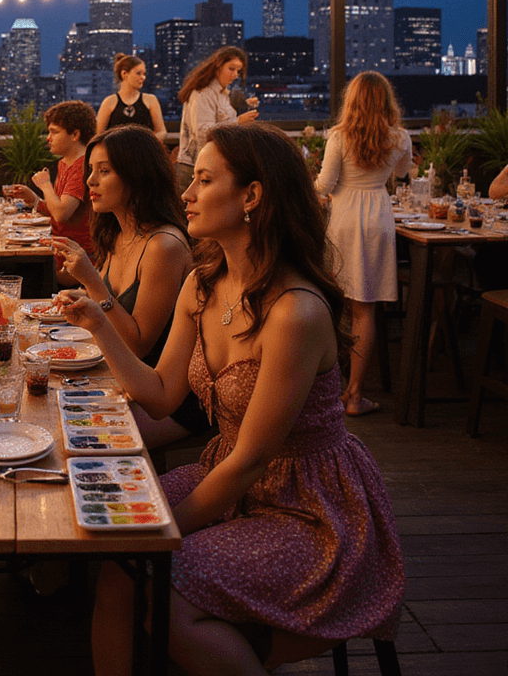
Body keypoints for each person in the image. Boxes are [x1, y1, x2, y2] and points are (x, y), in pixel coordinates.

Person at [58, 124, 404, 676]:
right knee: (117, 565)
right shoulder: (203, 283)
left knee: (161, 584)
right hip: (225, 475)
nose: (187, 195)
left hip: (308, 507)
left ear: (252, 195)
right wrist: (98, 322)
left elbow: (251, 460)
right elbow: (162, 394)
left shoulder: (295, 311)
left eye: (202, 179)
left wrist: (162, 530)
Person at [51, 125, 209, 445]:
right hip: (121, 375)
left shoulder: (164, 245)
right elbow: (116, 303)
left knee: (67, 436)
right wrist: (80, 294)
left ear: (137, 175)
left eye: (104, 171)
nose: (90, 181)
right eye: (91, 170)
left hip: (168, 399)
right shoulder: (118, 231)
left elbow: (138, 344)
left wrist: (92, 282)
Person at [315, 72, 412, 417]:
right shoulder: (400, 136)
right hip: (378, 218)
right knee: (365, 308)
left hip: (344, 217)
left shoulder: (339, 136)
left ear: (351, 100)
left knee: (332, 302)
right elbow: (401, 175)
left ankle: (326, 391)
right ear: (387, 102)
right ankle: (355, 395)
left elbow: (324, 184)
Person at [5, 100, 96, 284]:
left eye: (54, 132)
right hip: (60, 253)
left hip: (80, 262)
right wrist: (35, 200)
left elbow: (62, 214)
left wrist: (45, 185)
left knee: (13, 274)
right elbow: (58, 210)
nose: (48, 138)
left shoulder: (82, 166)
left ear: (75, 135)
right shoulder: (65, 163)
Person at [175, 46, 258, 191]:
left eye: (238, 71)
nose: (235, 75)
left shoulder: (223, 94)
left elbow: (221, 119)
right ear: (218, 66)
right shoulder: (203, 93)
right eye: (231, 69)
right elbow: (202, 131)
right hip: (194, 168)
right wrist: (237, 122)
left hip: (213, 165)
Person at [95, 53, 168, 142]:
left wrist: (146, 143)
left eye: (144, 74)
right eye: (138, 73)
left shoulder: (151, 100)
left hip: (145, 152)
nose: (143, 77)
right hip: (117, 153)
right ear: (124, 74)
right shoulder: (109, 102)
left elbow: (162, 131)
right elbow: (98, 135)